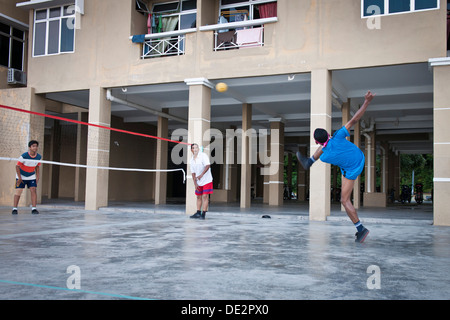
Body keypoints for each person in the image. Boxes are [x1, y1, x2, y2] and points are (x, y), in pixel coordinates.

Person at [297, 90, 375, 243]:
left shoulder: (325, 156)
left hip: (352, 170)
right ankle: (309, 162)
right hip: (360, 156)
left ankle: (361, 229)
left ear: (316, 143)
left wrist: (321, 148)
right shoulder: (339, 134)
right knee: (333, 142)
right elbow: (354, 119)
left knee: (344, 201)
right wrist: (366, 102)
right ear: (328, 134)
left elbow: (324, 147)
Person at [12, 140, 42, 215]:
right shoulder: (24, 156)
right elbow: (17, 166)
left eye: (36, 146)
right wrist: (19, 178)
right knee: (19, 191)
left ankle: (34, 209)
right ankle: (14, 209)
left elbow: (37, 167)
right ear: (30, 147)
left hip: (31, 176)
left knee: (33, 190)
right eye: (33, 146)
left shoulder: (38, 157)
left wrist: (37, 177)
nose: (35, 148)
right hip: (21, 175)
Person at [189, 143, 213, 219]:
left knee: (205, 196)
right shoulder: (192, 160)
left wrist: (202, 174)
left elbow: (208, 165)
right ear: (191, 150)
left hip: (207, 180)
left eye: (196, 148)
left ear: (198, 149)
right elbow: (193, 173)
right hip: (198, 181)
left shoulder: (203, 156)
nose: (195, 149)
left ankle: (204, 214)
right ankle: (198, 212)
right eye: (193, 148)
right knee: (198, 197)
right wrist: (195, 184)